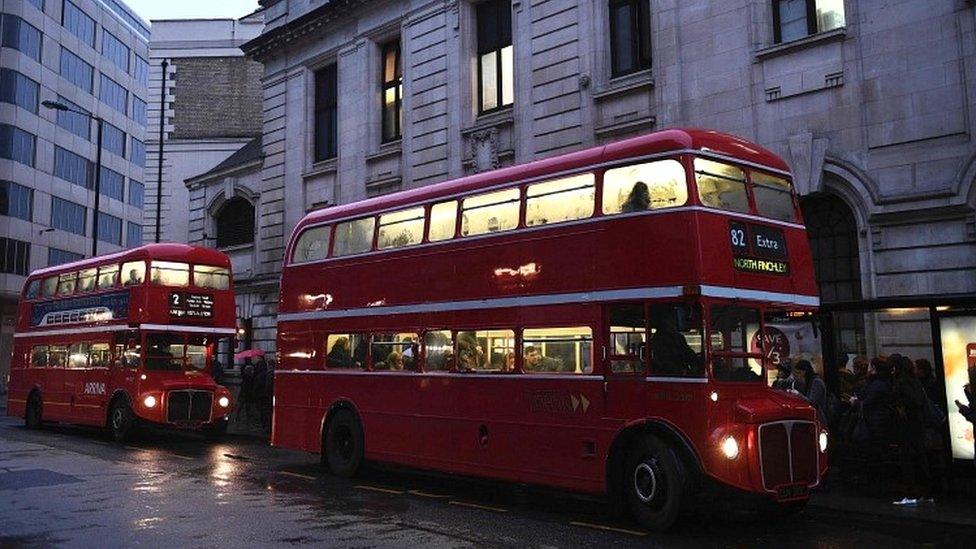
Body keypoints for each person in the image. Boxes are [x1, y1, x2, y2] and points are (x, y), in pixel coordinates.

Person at [889, 354, 932, 506]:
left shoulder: (901, 383)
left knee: (906, 459)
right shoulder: (916, 382)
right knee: (920, 457)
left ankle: (910, 493)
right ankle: (927, 493)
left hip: (907, 425)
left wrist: (900, 407)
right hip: (918, 424)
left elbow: (907, 401)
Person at [649, 307, 702, 377]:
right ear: (664, 321)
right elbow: (664, 360)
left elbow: (688, 353)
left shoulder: (679, 337)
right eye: (671, 318)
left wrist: (697, 362)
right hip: (667, 376)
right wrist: (681, 370)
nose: (674, 321)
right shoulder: (659, 338)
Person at [850, 358, 893, 445]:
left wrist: (855, 402)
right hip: (876, 422)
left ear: (873, 368)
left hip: (875, 423)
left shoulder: (878, 384)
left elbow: (868, 403)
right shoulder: (878, 382)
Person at [790, 359, 829, 425]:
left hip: (818, 417)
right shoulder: (808, 382)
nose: (797, 375)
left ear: (804, 372)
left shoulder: (816, 382)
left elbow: (812, 402)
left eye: (798, 373)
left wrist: (798, 394)